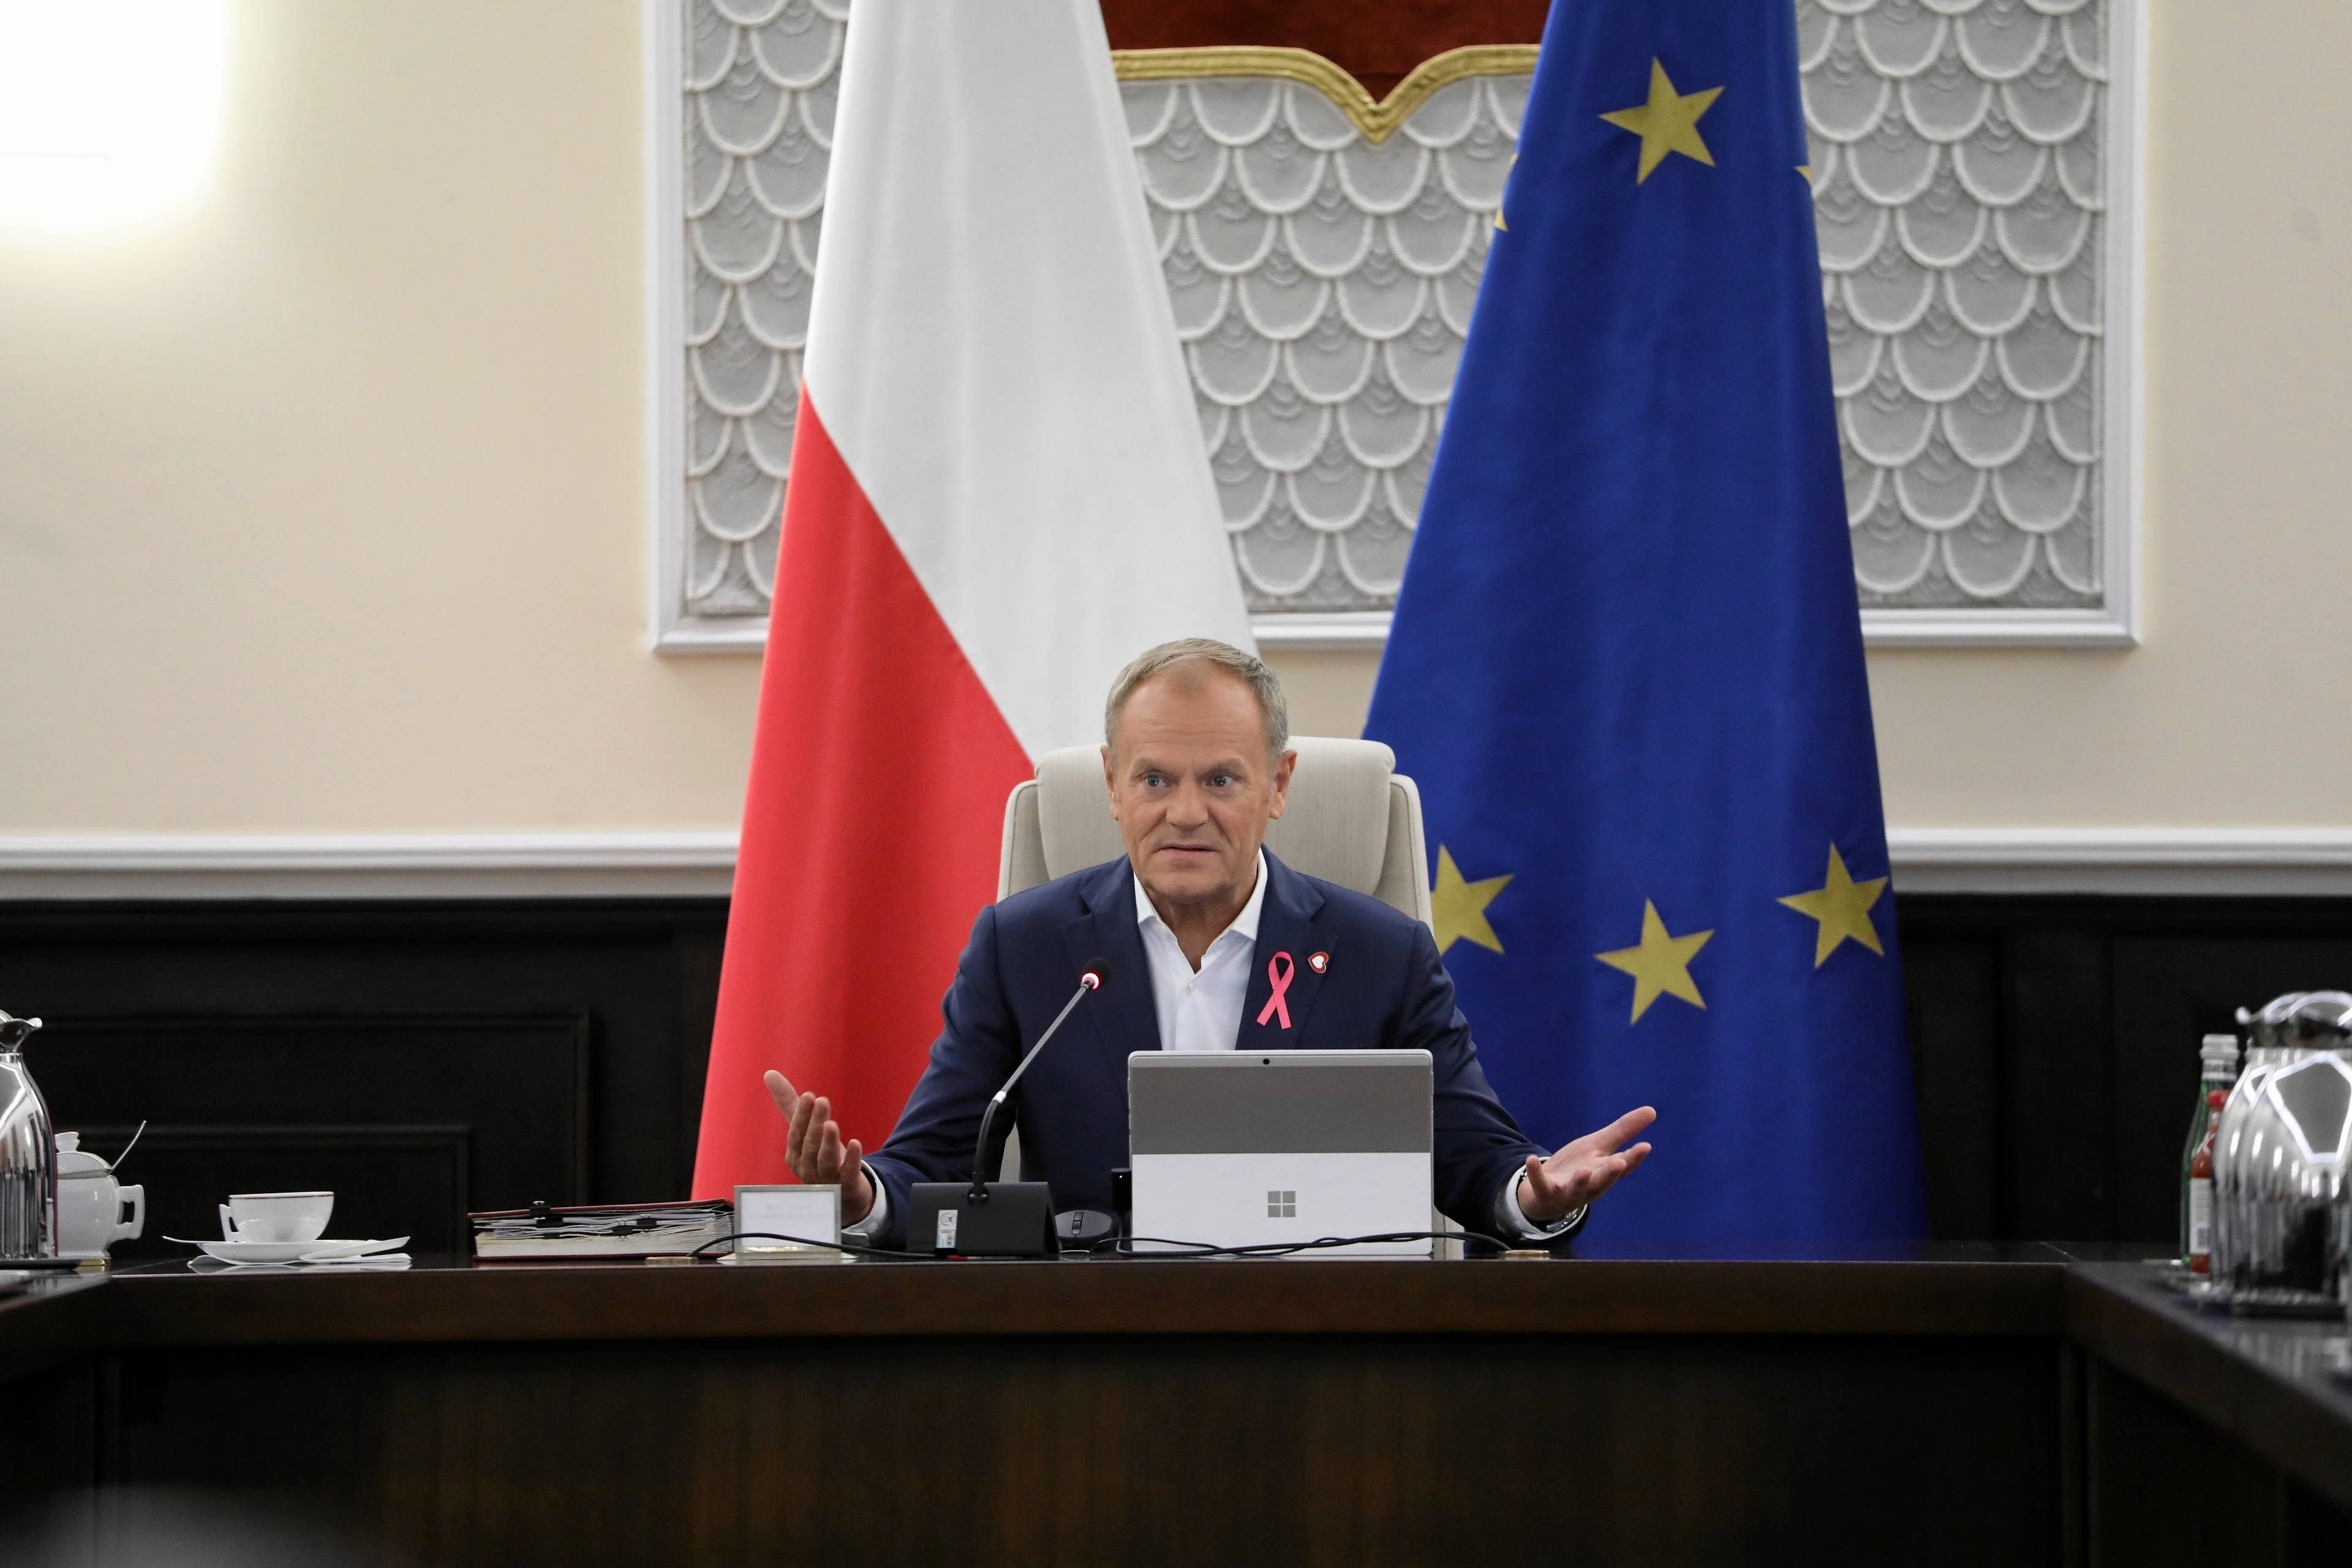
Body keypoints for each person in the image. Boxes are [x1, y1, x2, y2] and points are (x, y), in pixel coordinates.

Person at [766, 638, 1655, 1248]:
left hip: (1326, 1346)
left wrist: (1533, 1193)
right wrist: (859, 1195)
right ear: (1113, 787)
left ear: (1278, 785)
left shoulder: (1381, 954)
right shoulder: (1026, 949)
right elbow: (929, 1160)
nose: (1184, 812)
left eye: (1221, 779)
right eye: (1154, 778)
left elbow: (1475, 1163)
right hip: (1088, 1350)